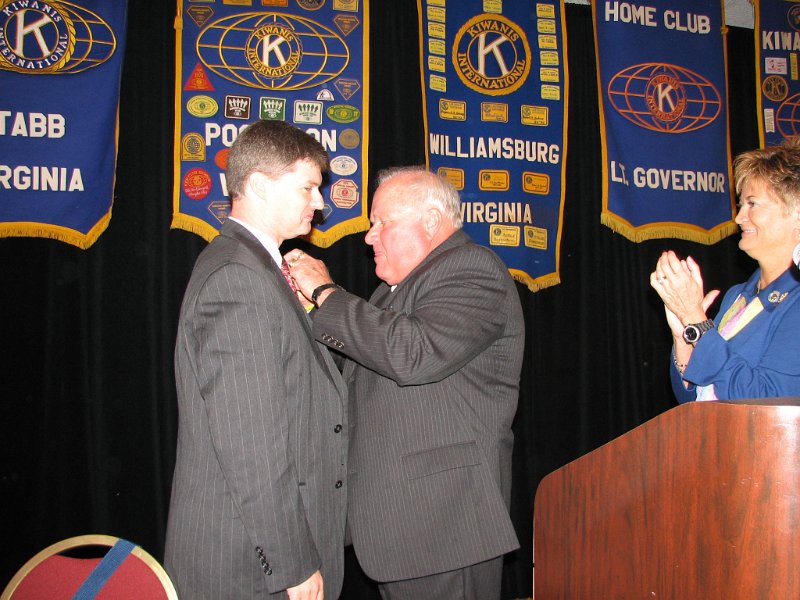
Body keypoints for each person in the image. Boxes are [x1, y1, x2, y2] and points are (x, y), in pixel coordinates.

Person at [285, 166, 523, 600]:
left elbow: (411, 354)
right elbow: (367, 362)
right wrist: (308, 309)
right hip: (405, 529)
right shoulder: (393, 293)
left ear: (431, 222)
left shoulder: (472, 269)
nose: (369, 237)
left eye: (382, 223)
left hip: (445, 530)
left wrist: (326, 294)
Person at [164, 120, 348, 600]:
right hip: (247, 567)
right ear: (261, 185)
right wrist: (292, 562)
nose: (320, 202)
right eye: (308, 187)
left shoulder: (257, 269)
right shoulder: (239, 280)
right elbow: (251, 446)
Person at [650, 136, 800, 403]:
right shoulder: (737, 296)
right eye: (741, 205)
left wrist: (696, 319)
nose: (739, 217)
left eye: (753, 204)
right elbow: (696, 396)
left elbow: (768, 402)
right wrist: (684, 333)